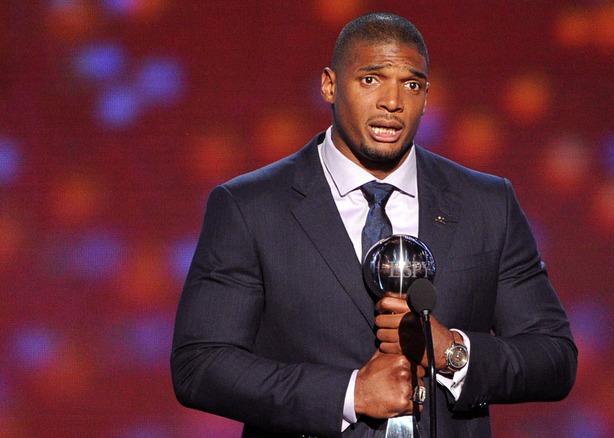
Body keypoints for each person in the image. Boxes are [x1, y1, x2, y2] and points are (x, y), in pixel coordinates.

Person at [171, 12, 577, 438]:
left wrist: (453, 352)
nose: (392, 101)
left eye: (411, 84)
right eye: (371, 79)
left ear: (426, 96)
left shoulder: (487, 205)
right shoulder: (250, 207)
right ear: (329, 85)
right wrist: (350, 394)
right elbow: (200, 364)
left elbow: (553, 357)